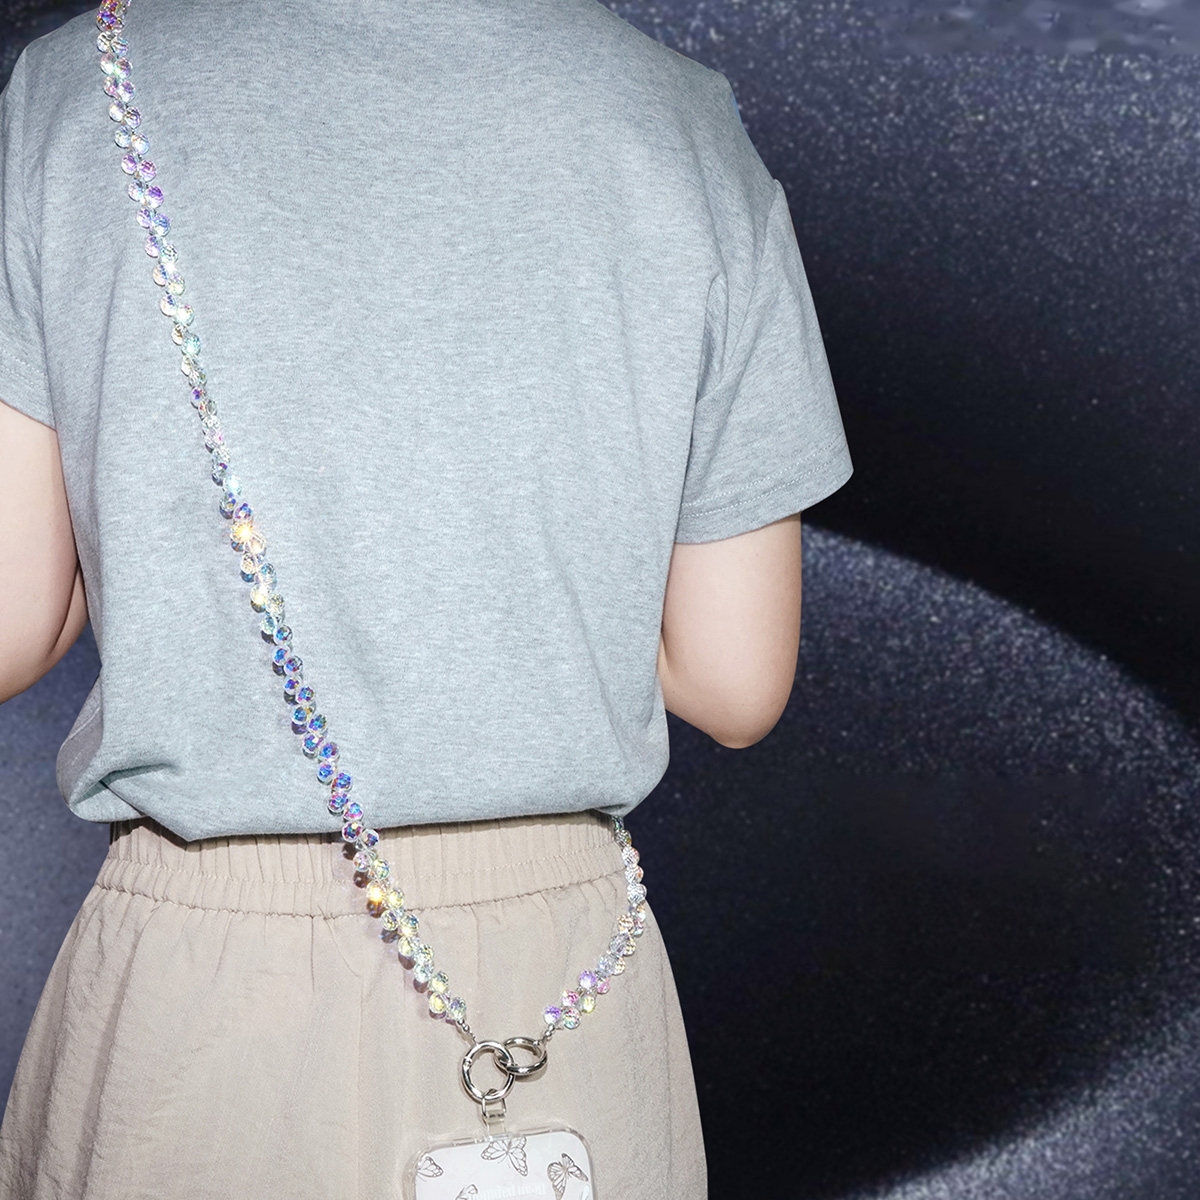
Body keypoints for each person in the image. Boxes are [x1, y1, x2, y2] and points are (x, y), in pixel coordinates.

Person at [0, 0, 853, 1195]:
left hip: (209, 1001)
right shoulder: (679, 121)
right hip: (569, 992)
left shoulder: (78, 88)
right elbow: (737, 679)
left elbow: (12, 620)